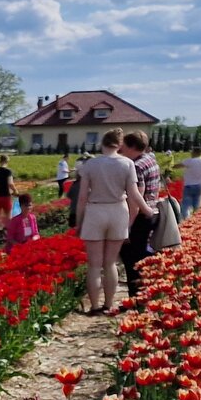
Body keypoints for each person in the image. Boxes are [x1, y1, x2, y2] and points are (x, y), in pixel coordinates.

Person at [76, 130, 152, 317]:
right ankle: (109, 304)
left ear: (102, 143)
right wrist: (147, 210)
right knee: (110, 263)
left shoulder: (91, 164)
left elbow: (82, 197)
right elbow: (134, 194)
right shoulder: (127, 164)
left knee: (94, 265)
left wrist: (79, 222)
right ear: (119, 145)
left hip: (95, 211)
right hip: (118, 210)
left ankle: (94, 306)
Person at [120, 130, 164, 299]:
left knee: (132, 259)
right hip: (152, 212)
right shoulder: (151, 159)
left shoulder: (136, 166)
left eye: (124, 146)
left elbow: (135, 201)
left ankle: (136, 297)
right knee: (142, 255)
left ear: (131, 147)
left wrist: (127, 228)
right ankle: (147, 291)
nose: (121, 150)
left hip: (140, 217)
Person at [178, 148, 201, 219]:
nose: (191, 153)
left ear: (195, 152)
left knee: (185, 206)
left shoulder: (190, 161)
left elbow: (178, 165)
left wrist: (171, 167)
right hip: (200, 186)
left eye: (192, 152)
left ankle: (186, 220)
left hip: (188, 185)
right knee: (197, 205)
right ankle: (196, 221)